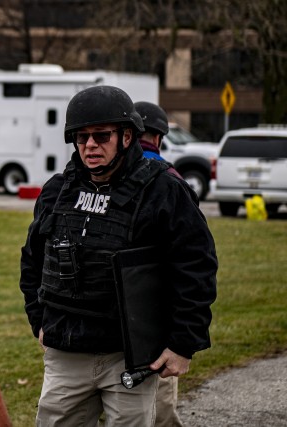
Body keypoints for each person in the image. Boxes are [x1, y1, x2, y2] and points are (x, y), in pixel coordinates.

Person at [19, 85, 217, 426]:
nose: (90, 145)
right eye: (81, 138)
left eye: (101, 136)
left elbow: (195, 266)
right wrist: (40, 320)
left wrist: (183, 343)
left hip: (131, 356)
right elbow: (32, 260)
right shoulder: (57, 191)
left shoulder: (163, 190)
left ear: (127, 136)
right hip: (67, 352)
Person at [135, 100, 184, 427]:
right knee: (160, 408)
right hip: (155, 310)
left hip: (110, 316)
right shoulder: (169, 177)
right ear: (160, 138)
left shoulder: (105, 172)